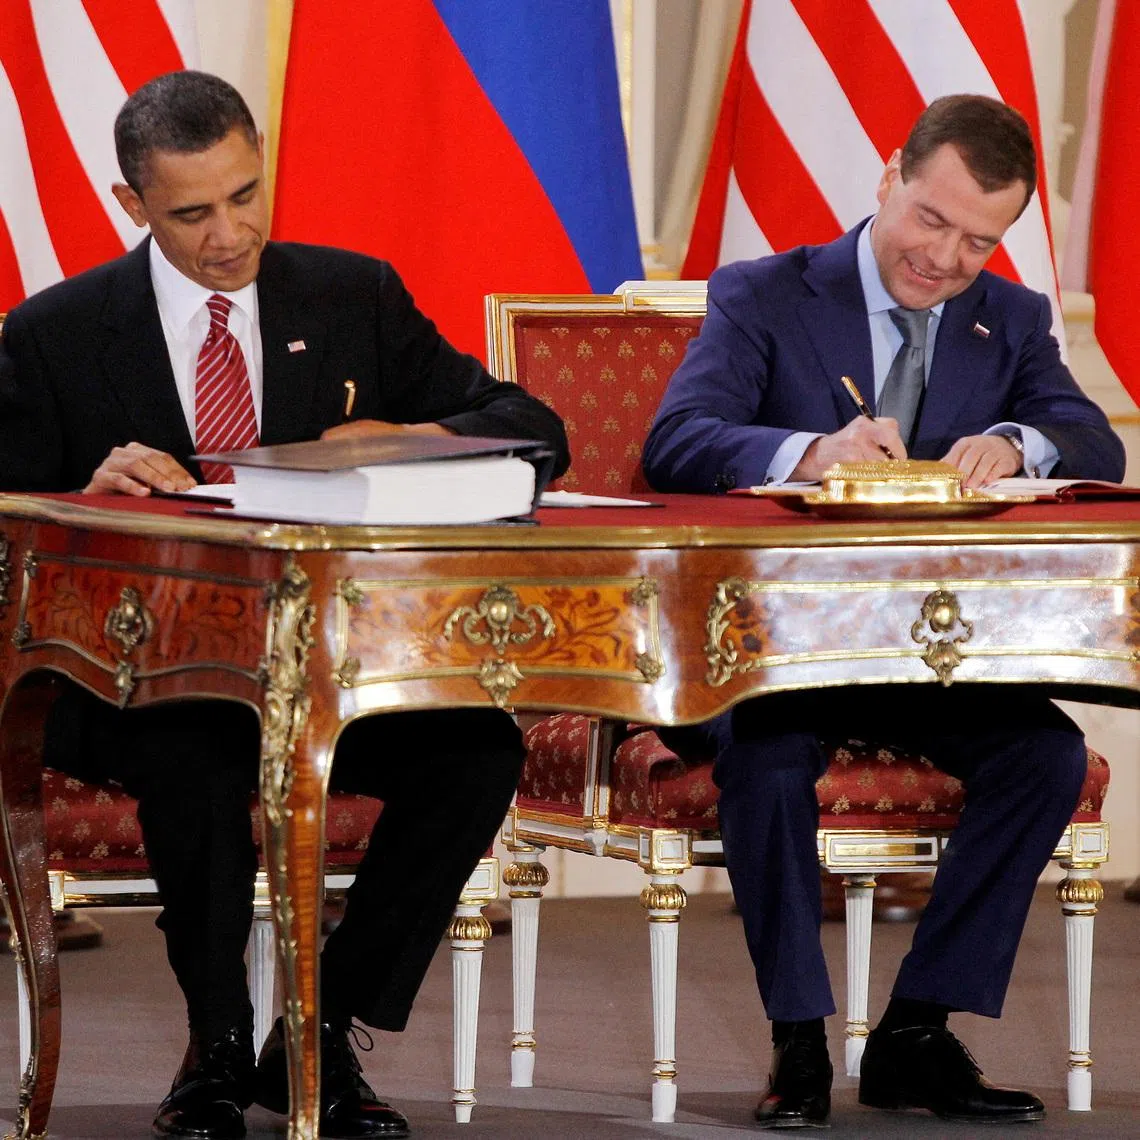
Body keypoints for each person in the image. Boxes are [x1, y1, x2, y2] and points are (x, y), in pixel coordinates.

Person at [0, 71, 568, 1140]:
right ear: (133, 207)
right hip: (133, 681)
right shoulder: (57, 334)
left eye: (248, 194)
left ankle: (314, 1035)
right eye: (193, 212)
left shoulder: (350, 296)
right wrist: (85, 492)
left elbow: (534, 427)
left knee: (478, 751)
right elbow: (6, 524)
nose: (232, 233)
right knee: (201, 750)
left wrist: (409, 439)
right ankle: (212, 1053)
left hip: (331, 676)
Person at [643, 95, 1124, 1129]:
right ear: (888, 176)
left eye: (978, 240)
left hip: (931, 655)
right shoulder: (766, 294)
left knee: (1042, 758)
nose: (947, 259)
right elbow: (676, 440)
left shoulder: (1015, 317)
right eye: (931, 220)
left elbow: (1095, 444)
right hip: (770, 652)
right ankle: (798, 1044)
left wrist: (1019, 440)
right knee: (767, 764)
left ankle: (915, 1032)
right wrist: (805, 454)